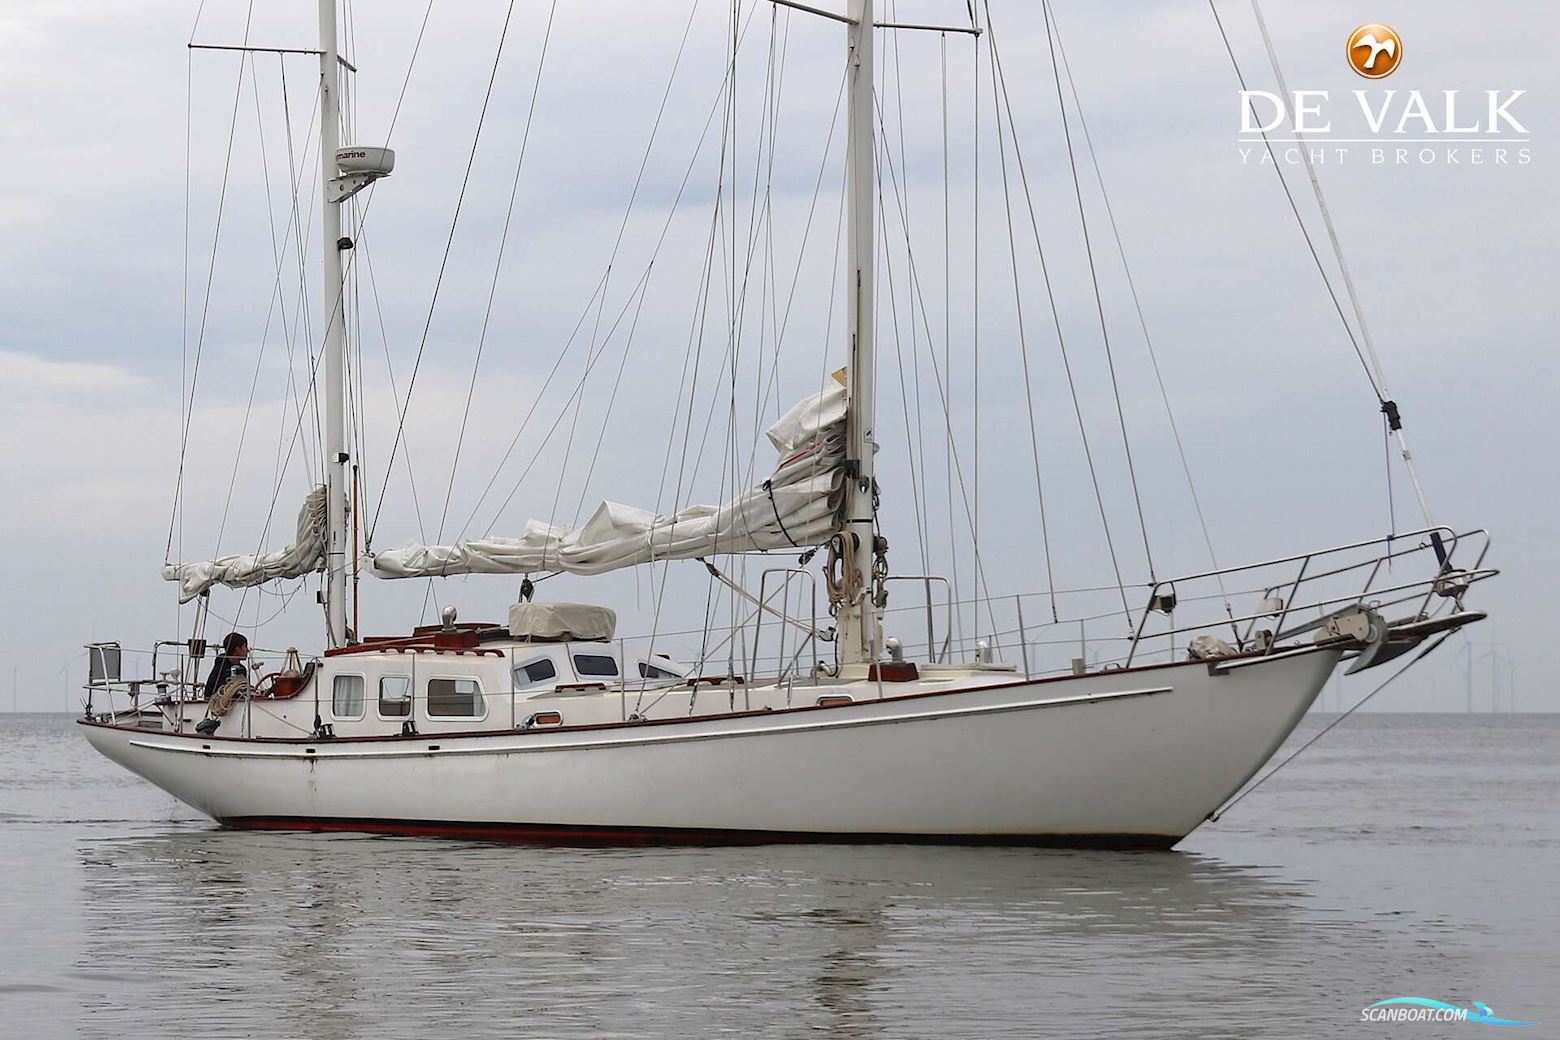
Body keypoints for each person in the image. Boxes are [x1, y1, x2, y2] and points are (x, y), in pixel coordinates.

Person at [196, 632, 251, 735]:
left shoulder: (242, 669)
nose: (248, 650)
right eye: (245, 646)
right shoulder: (221, 666)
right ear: (237, 649)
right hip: (218, 707)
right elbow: (217, 691)